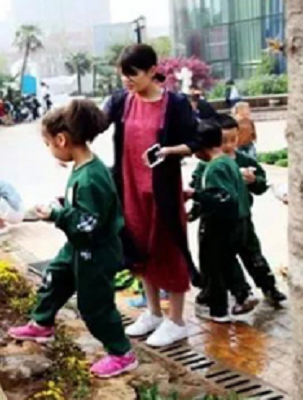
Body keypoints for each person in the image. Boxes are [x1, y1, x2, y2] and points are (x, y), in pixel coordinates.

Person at [7, 100, 137, 378]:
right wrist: (63, 206)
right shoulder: (83, 169)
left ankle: (122, 353)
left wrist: (57, 214)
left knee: (95, 306)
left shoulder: (90, 177)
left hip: (96, 252)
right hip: (79, 247)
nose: (50, 149)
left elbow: (88, 223)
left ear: (62, 139)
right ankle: (42, 323)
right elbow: (87, 210)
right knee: (55, 276)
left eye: (48, 143)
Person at [106, 44, 200, 348]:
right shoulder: (122, 102)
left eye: (132, 73)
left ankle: (176, 321)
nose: (126, 80)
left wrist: (170, 151)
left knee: (169, 248)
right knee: (139, 248)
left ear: (151, 71)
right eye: (123, 74)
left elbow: (197, 140)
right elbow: (95, 124)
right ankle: (153, 312)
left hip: (163, 191)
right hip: (130, 187)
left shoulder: (175, 104)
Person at [189, 115, 286, 305]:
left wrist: (254, 181)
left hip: (243, 218)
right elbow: (201, 193)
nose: (228, 145)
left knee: (253, 254)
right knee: (216, 258)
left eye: (233, 140)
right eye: (223, 140)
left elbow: (261, 186)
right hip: (217, 221)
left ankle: (268, 287)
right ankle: (219, 290)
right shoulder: (205, 165)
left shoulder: (244, 160)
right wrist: (194, 212)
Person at [189, 121, 257, 322]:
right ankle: (241, 295)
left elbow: (223, 198)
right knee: (226, 262)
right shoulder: (228, 161)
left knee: (214, 267)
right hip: (237, 223)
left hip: (220, 226)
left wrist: (196, 195)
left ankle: (219, 311)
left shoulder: (215, 167)